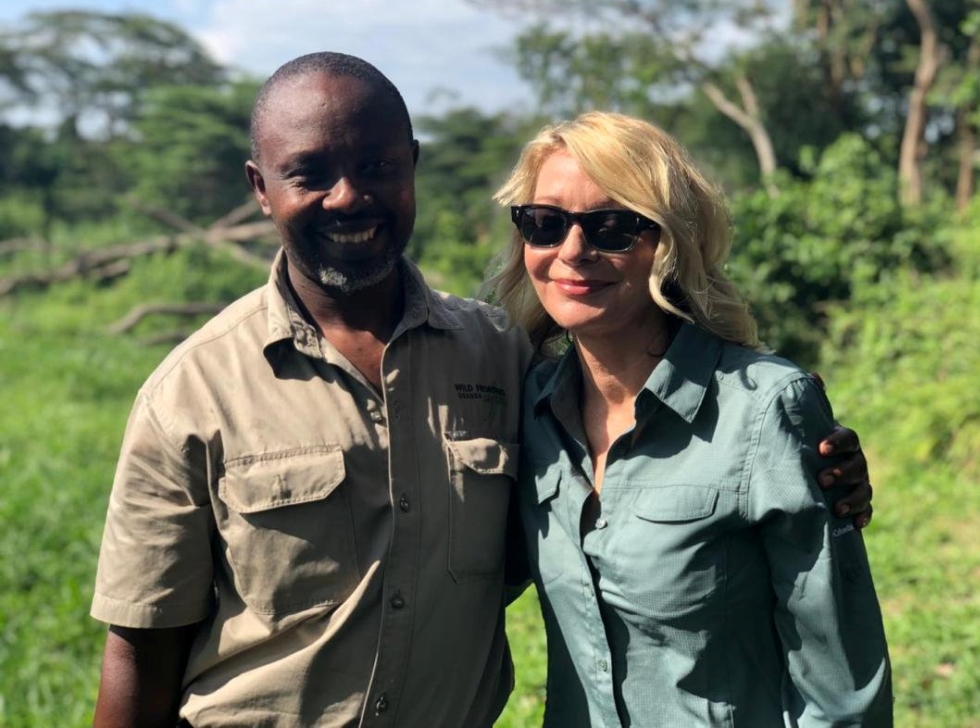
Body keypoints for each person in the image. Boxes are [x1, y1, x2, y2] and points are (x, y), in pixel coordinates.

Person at [90, 53, 872, 727]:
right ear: (262, 188)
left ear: (412, 168)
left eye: (613, 227)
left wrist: (815, 459)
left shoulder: (500, 358)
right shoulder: (190, 392)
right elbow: (139, 649)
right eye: (542, 222)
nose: (348, 197)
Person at [489, 111, 893, 727]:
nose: (573, 251)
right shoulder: (530, 406)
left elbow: (842, 695)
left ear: (670, 243)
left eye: (614, 227)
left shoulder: (762, 411)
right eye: (545, 224)